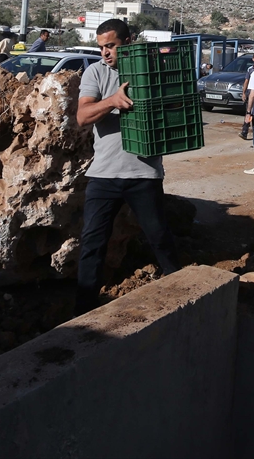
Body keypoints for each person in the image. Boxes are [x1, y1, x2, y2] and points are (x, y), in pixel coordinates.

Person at [74, 19, 180, 315]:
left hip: (144, 172)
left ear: (128, 41)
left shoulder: (151, 69)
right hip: (103, 174)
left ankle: (182, 293)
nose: (105, 52)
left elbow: (174, 107)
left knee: (159, 237)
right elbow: (82, 116)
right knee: (92, 243)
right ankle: (82, 312)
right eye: (101, 47)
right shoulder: (95, 72)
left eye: (110, 46)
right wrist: (113, 101)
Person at [240, 51, 254, 140]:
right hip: (251, 94)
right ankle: (245, 131)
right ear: (253, 59)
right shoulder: (250, 69)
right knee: (248, 113)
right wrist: (244, 93)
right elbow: (246, 81)